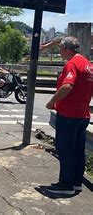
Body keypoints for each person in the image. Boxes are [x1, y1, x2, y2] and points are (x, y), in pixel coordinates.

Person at [44, 36, 93, 196]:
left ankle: (65, 184)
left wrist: (52, 101)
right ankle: (76, 183)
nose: (59, 51)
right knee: (78, 150)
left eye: (60, 49)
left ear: (66, 49)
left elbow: (67, 86)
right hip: (83, 114)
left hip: (69, 114)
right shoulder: (88, 65)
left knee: (65, 150)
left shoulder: (72, 63)